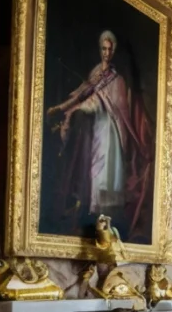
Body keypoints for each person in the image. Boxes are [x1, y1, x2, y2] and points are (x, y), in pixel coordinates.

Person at [46, 30, 155, 241]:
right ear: (100, 49)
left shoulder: (118, 80)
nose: (106, 53)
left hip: (110, 132)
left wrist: (90, 104)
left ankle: (105, 217)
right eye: (103, 49)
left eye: (109, 49)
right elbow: (82, 93)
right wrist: (64, 108)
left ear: (113, 50)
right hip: (96, 128)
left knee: (106, 171)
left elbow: (111, 106)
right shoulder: (96, 73)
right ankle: (92, 211)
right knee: (93, 168)